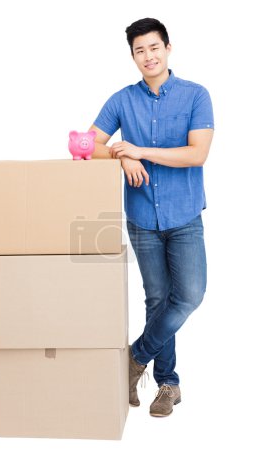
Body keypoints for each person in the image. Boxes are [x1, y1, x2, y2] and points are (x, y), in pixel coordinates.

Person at [89, 17, 214, 417]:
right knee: (158, 300)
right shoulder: (122, 99)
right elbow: (86, 143)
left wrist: (138, 150)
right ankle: (168, 385)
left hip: (184, 215)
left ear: (168, 48)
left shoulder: (196, 95)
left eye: (154, 47)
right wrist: (119, 154)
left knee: (189, 296)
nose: (148, 56)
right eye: (140, 50)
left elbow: (197, 154)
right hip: (142, 217)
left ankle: (135, 357)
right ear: (133, 56)